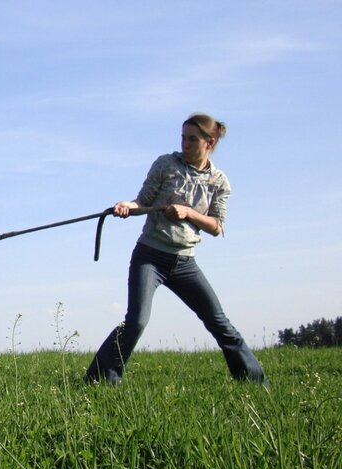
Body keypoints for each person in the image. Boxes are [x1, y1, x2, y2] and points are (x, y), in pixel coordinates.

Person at [84, 112, 268, 385]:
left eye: (193, 139)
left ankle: (255, 382)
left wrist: (188, 213)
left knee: (219, 323)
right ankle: (101, 380)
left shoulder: (219, 182)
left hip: (184, 263)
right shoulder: (166, 164)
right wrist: (125, 206)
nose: (185, 144)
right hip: (149, 256)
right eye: (183, 138)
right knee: (136, 321)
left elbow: (217, 227)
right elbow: (142, 201)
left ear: (210, 142)